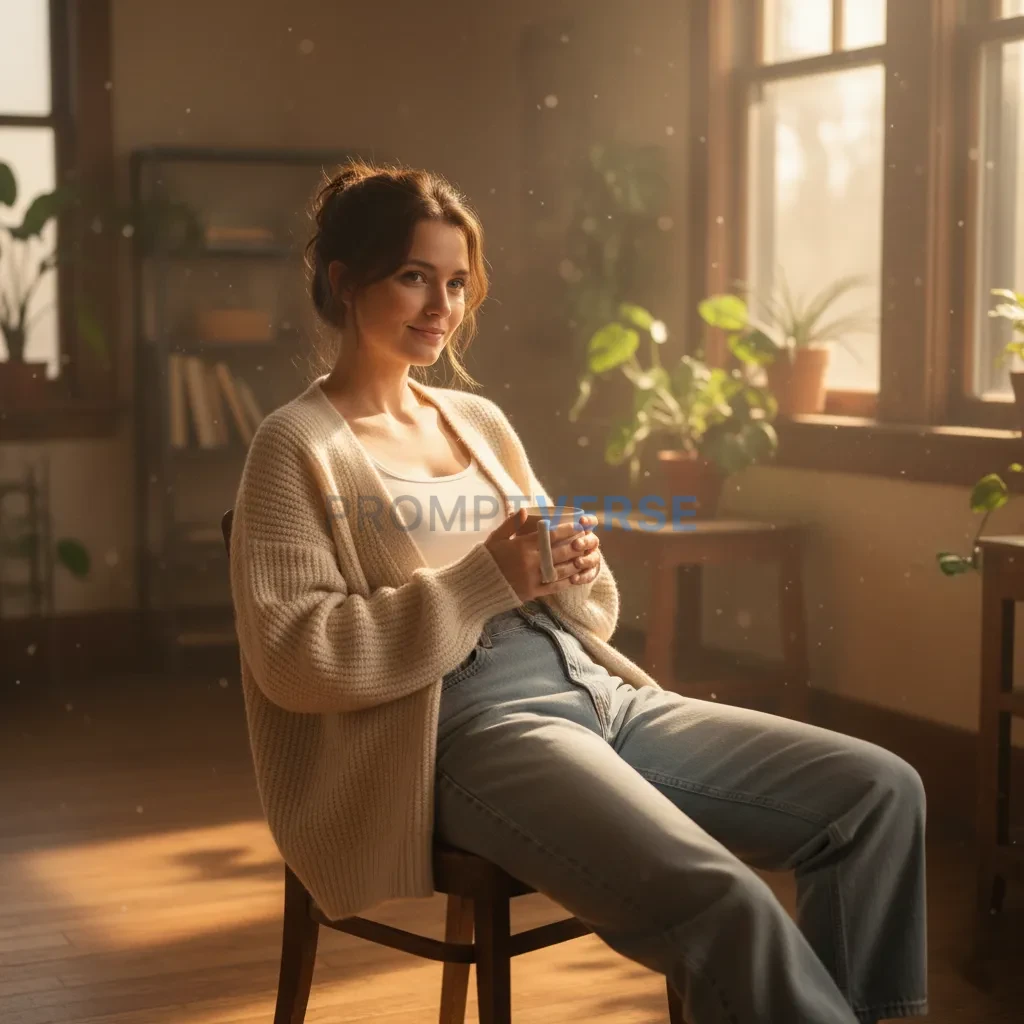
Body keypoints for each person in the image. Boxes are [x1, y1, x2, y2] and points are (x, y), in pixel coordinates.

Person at [228, 159, 927, 1024]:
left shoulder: (476, 420)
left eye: (455, 282)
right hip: (463, 730)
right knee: (723, 901)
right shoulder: (294, 446)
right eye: (415, 278)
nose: (443, 307)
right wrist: (485, 580)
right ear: (345, 280)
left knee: (878, 793)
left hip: (598, 692)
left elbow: (579, 610)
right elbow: (294, 657)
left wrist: (574, 570)